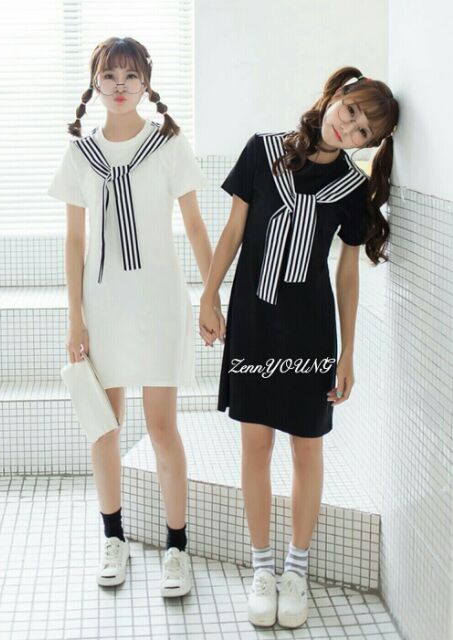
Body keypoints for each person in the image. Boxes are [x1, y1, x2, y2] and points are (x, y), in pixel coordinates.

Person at [198, 66, 399, 629]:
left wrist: (349, 352)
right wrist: (208, 296)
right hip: (253, 321)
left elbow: (347, 273)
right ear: (336, 96)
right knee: (255, 444)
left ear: (370, 145)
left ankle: (296, 571)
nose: (348, 129)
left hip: (310, 330)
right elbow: (233, 232)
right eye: (351, 111)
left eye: (363, 132)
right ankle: (262, 569)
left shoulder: (352, 189)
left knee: (307, 448)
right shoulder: (262, 152)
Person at [47, 36, 217, 596]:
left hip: (160, 302)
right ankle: (113, 540)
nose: (120, 87)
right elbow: (75, 242)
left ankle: (177, 549)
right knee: (106, 425)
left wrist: (213, 294)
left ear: (146, 83)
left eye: (130, 77)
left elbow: (195, 225)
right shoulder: (81, 155)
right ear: (95, 84)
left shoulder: (168, 144)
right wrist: (75, 318)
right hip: (104, 306)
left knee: (162, 427)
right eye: (109, 77)